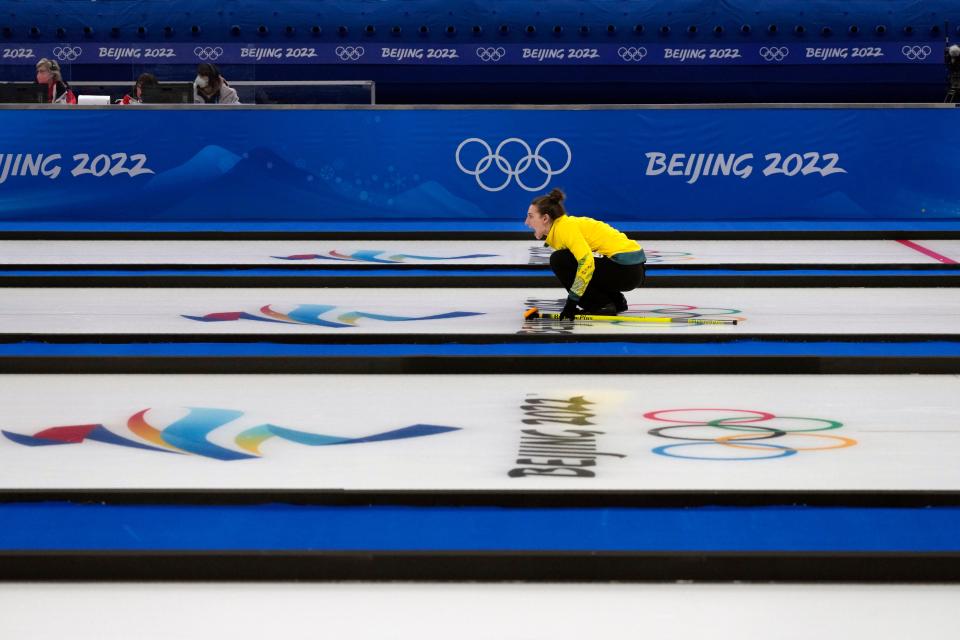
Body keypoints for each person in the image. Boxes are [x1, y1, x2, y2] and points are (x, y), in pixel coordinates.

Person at [525, 188, 646, 320]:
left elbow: (586, 263)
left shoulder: (564, 229)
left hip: (626, 270)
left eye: (530, 216)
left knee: (559, 259)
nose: (527, 222)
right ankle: (615, 301)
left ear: (545, 218)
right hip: (631, 269)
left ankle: (601, 305)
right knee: (568, 259)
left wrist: (572, 302)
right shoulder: (564, 225)